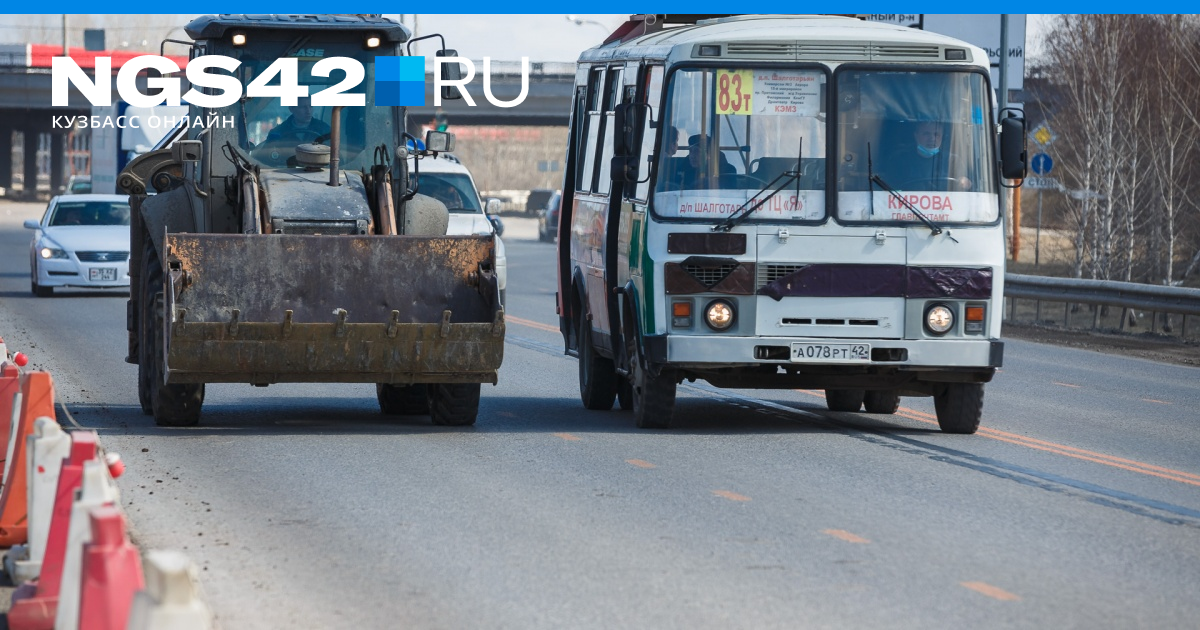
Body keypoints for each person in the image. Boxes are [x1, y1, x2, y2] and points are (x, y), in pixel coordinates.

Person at [888, 121, 971, 191]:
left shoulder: (953, 160)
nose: (932, 138)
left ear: (942, 137)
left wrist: (964, 182)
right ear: (916, 136)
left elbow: (965, 185)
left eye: (936, 134)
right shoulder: (900, 160)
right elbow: (889, 189)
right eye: (926, 134)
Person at [265, 96, 331, 144]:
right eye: (303, 107)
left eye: (310, 106)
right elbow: (266, 154)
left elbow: (336, 151)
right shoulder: (279, 132)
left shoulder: (325, 130)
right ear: (291, 109)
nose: (308, 111)